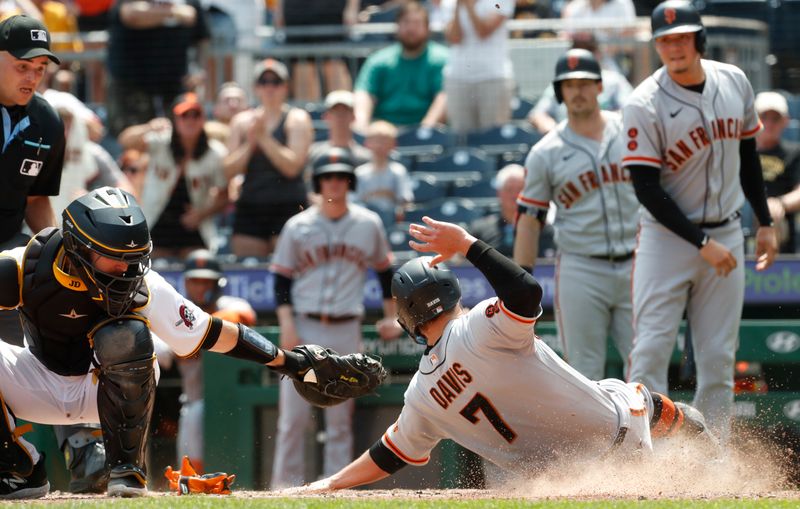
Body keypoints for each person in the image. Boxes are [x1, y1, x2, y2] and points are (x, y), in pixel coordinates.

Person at [281, 216, 716, 493]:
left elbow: (387, 456)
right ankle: (716, 463)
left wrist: (330, 484)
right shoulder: (481, 325)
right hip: (623, 441)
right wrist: (468, 243)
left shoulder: (421, 396)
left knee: (607, 390)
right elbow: (526, 291)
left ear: (407, 319)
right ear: (452, 291)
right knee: (640, 396)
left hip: (569, 485)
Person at [0, 186, 384, 499]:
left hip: (100, 393)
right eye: (115, 259)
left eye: (134, 260)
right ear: (78, 247)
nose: (127, 271)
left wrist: (291, 363)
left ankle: (125, 472)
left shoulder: (143, 286)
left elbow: (210, 332)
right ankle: (19, 467)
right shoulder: (23, 266)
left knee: (127, 337)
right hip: (36, 383)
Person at [621, 0, 778, 442]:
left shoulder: (734, 81)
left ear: (699, 39)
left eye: (681, 37)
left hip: (727, 230)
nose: (673, 46)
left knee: (717, 359)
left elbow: (748, 155)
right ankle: (643, 452)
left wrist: (764, 221)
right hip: (666, 239)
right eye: (664, 40)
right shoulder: (644, 103)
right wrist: (700, 242)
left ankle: (714, 459)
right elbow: (647, 189)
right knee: (650, 353)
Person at [269, 147, 400, 488]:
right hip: (305, 324)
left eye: (341, 176)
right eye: (328, 177)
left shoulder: (367, 223)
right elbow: (281, 279)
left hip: (346, 327)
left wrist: (390, 317)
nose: (334, 183)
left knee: (341, 419)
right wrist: (286, 322)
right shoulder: (297, 226)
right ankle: (284, 490)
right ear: (318, 182)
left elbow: (386, 272)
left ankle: (337, 488)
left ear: (350, 181)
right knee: (293, 418)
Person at [514, 49, 639, 381]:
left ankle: (655, 436)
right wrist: (521, 285)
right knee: (584, 373)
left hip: (638, 263)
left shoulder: (631, 131)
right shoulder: (546, 152)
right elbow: (529, 221)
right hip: (581, 267)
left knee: (646, 366)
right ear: (559, 92)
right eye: (569, 85)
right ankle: (598, 437)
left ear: (600, 87)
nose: (578, 91)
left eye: (585, 83)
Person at [155, 249, 256, 473]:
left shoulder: (229, 304)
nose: (201, 287)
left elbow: (245, 314)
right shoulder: (177, 312)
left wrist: (201, 333)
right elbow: (161, 354)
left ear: (218, 283)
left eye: (207, 282)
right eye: (196, 281)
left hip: (231, 402)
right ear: (187, 283)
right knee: (188, 462)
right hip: (193, 402)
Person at [119, 92, 229, 258]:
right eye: (184, 115)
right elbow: (125, 140)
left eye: (196, 115)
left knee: (198, 269)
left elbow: (224, 195)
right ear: (175, 119)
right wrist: (149, 127)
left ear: (203, 119)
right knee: (154, 273)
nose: (190, 120)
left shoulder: (215, 153)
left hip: (194, 226)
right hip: (157, 222)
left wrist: (202, 214)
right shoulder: (160, 142)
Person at [224, 58, 314, 257]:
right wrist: (250, 144)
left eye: (276, 82)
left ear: (285, 87)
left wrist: (264, 138)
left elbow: (292, 167)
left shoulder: (297, 119)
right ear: (256, 88)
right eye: (264, 82)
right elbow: (228, 170)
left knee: (291, 271)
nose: (270, 87)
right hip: (251, 206)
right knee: (248, 269)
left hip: (288, 204)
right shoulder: (241, 122)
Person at [105, 0, 210, 136]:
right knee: (129, 141)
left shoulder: (190, 2)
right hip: (132, 86)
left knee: (177, 139)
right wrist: (175, 12)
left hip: (174, 87)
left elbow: (202, 37)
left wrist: (199, 68)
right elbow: (131, 15)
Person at [353, 1, 448, 132]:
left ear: (427, 28)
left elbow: (444, 97)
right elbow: (364, 93)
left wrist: (425, 129)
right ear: (397, 26)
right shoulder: (379, 60)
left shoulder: (442, 59)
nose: (411, 29)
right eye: (406, 22)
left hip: (427, 135)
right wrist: (362, 127)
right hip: (385, 133)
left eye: (416, 23)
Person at [528, 33, 633, 135]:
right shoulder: (562, 82)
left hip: (606, 136)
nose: (583, 54)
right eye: (578, 49)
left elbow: (630, 110)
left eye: (589, 49)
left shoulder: (614, 80)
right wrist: (554, 131)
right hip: (568, 140)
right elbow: (538, 114)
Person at [441, 0, 515, 134]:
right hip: (458, 78)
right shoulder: (448, 3)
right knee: (461, 138)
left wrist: (468, 5)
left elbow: (483, 31)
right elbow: (455, 38)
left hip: (493, 77)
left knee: (493, 137)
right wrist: (458, 6)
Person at [271, 0, 356, 102]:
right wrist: (279, 9)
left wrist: (352, 7)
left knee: (334, 64)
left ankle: (343, 114)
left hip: (331, 11)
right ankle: (308, 115)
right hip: (296, 11)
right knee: (303, 67)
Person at [752, 91, 800, 253]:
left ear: (785, 121)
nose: (769, 123)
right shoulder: (739, 152)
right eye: (763, 117)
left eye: (775, 118)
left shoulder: (794, 152)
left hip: (781, 227)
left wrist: (780, 204)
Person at [353, 120, 414, 227]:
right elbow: (354, 202)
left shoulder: (398, 171)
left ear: (393, 144)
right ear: (367, 143)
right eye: (376, 140)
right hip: (365, 223)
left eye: (384, 141)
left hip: (390, 222)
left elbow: (405, 200)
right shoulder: (359, 173)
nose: (379, 146)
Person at [307, 90, 371, 174]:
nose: (340, 117)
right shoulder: (312, 153)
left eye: (345, 111)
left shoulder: (366, 157)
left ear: (353, 117)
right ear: (326, 116)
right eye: (335, 112)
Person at [469, 163, 524, 258]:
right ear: (499, 193)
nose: (515, 195)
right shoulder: (479, 230)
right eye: (509, 189)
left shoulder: (542, 229)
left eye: (520, 189)